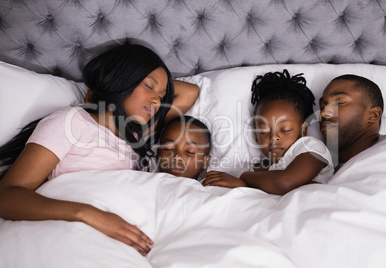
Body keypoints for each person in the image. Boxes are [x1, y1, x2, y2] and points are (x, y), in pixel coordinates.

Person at [0, 44, 199, 256]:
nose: (157, 101)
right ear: (121, 79)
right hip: (82, 234)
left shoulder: (136, 138)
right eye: (150, 87)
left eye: (162, 95)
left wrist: (152, 89)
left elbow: (190, 93)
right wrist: (92, 215)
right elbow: (7, 195)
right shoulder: (73, 121)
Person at [202, 69, 334, 195]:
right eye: (264, 131)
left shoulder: (310, 147)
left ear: (303, 130)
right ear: (255, 136)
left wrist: (243, 180)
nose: (274, 137)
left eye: (285, 129)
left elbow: (283, 183)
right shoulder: (260, 168)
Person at [319, 74, 383, 171]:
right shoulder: (318, 172)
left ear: (373, 115)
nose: (323, 113)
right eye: (322, 106)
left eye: (340, 102)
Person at [157, 115, 211, 180]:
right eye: (169, 148)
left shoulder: (208, 189)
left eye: (190, 152)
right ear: (158, 153)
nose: (177, 157)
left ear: (205, 161)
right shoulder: (143, 180)